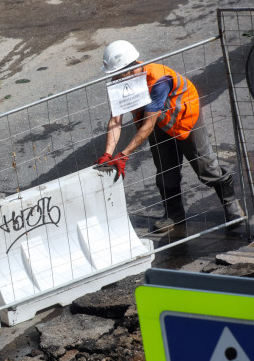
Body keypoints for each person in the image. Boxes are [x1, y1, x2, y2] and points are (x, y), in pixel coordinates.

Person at [96, 40, 244, 232]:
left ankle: (232, 206)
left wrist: (124, 154)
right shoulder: (122, 83)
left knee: (205, 166)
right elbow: (116, 120)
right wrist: (108, 154)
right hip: (158, 121)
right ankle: (174, 214)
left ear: (130, 69)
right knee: (166, 170)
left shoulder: (158, 80)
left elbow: (148, 124)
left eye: (116, 74)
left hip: (185, 118)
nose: (114, 79)